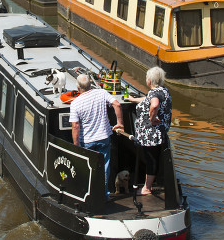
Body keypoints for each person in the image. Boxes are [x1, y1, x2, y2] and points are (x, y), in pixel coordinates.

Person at [70, 73, 124, 200]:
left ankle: (90, 196)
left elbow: (75, 126)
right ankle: (103, 195)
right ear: (90, 84)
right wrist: (120, 123)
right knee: (104, 167)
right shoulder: (102, 93)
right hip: (104, 137)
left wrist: (76, 146)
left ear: (78, 88)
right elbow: (117, 104)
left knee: (88, 169)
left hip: (87, 141)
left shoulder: (75, 103)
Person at [126, 66, 172, 195]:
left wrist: (152, 119)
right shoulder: (163, 90)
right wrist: (134, 99)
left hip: (150, 135)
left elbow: (154, 104)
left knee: (151, 159)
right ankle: (150, 184)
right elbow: (149, 100)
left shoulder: (154, 93)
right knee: (153, 158)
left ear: (149, 81)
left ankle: (147, 188)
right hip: (159, 133)